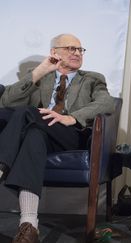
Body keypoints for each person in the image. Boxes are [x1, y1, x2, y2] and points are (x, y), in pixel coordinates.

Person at [0, 33, 115, 243]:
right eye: (71, 48)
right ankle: (29, 227)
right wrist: (40, 71)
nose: (77, 53)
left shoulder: (92, 78)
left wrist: (71, 117)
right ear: (55, 52)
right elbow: (5, 101)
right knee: (33, 135)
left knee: (27, 112)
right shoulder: (40, 76)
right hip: (43, 135)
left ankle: (1, 166)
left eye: (80, 50)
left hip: (70, 136)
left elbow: (107, 103)